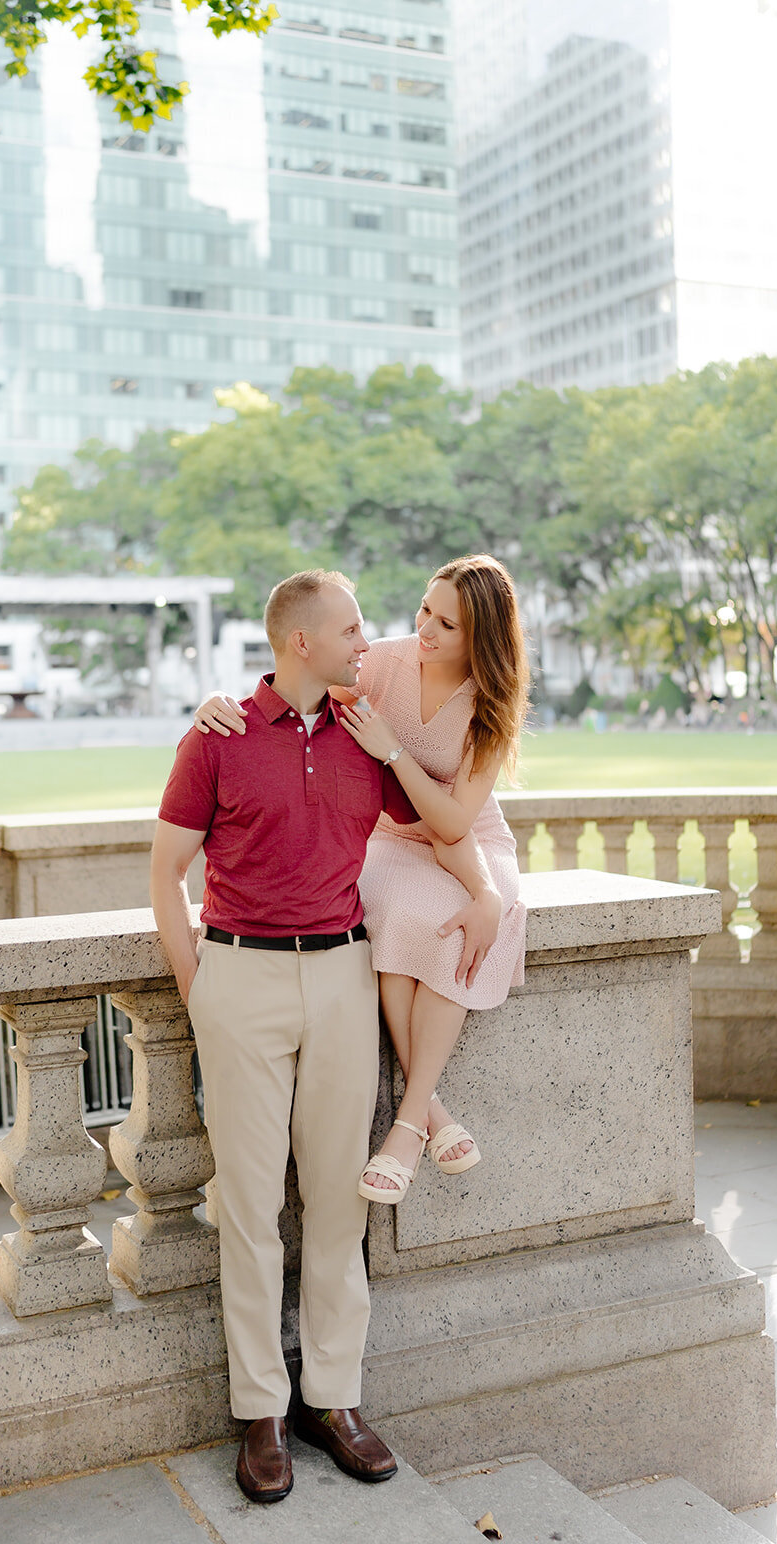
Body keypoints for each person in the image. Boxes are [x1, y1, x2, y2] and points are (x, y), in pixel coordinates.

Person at [150, 568, 500, 1505]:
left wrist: (487, 892)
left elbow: (439, 828)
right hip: (240, 979)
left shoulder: (357, 732)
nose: (368, 641)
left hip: (343, 975)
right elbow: (165, 876)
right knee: (252, 1207)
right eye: (351, 629)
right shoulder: (214, 737)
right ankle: (261, 1412)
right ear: (300, 641)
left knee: (341, 1206)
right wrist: (202, 992)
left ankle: (333, 1401)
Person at [196, 554, 529, 1205]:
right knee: (397, 917)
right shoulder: (386, 663)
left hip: (467, 841)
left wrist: (393, 753)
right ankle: (429, 1115)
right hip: (390, 837)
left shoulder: (491, 703)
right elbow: (296, 687)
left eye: (446, 625)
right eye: (424, 610)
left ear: (480, 639)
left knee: (458, 922)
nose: (424, 630)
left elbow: (455, 823)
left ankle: (404, 1132)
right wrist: (218, 701)